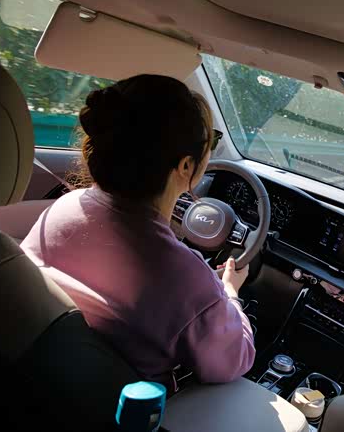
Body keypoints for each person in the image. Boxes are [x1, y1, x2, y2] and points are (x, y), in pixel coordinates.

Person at [20, 74, 255, 387]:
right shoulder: (184, 276)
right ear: (186, 166)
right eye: (211, 141)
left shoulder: (63, 208)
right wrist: (229, 292)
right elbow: (234, 361)